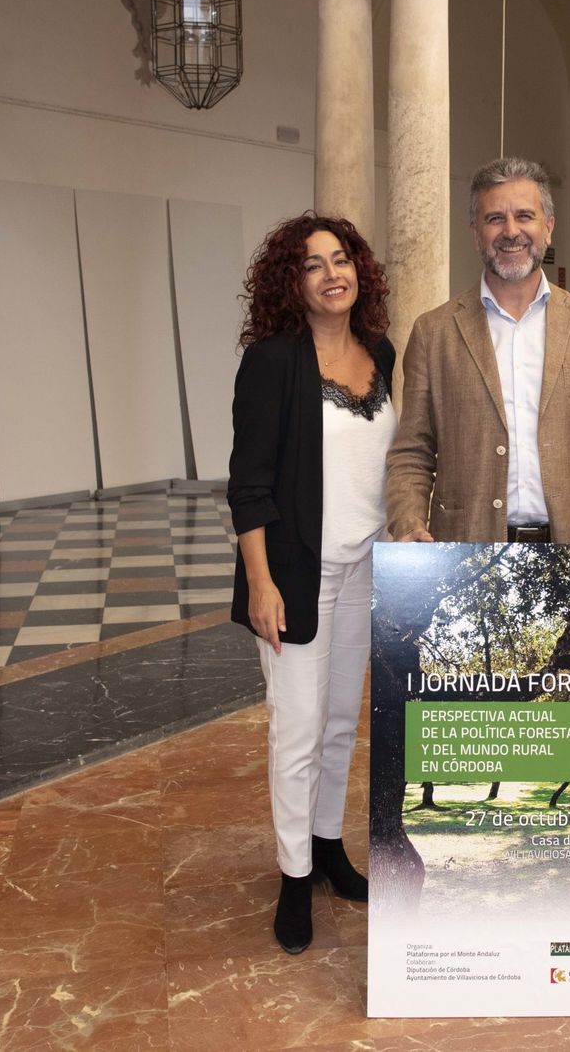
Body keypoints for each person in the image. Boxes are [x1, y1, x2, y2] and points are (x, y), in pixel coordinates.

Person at [228, 213, 396, 955]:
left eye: (342, 259)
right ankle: (294, 875)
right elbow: (249, 486)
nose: (333, 274)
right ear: (289, 285)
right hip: (298, 574)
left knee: (337, 724)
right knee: (295, 731)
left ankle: (327, 845)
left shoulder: (382, 352)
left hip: (367, 565)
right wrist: (261, 583)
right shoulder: (272, 362)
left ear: (360, 269)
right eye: (312, 265)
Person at [385, 157, 570, 545]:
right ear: (475, 233)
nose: (511, 231)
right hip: (466, 553)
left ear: (548, 227)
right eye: (495, 218)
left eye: (524, 216)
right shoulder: (434, 332)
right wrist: (409, 523)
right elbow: (413, 452)